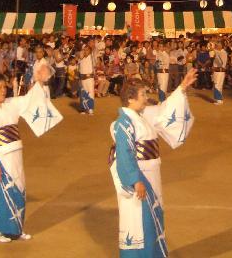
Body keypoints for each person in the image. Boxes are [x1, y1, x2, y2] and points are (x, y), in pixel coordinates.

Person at [109, 68, 197, 257]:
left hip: (151, 176)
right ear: (131, 99)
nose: (146, 97)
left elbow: (165, 110)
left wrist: (182, 87)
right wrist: (135, 179)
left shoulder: (143, 115)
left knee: (152, 219)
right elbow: (124, 154)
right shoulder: (123, 123)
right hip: (141, 178)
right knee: (140, 222)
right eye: (143, 94)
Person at [0, 63, 63, 243]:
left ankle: (16, 229)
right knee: (0, 193)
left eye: (4, 87)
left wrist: (39, 81)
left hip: (16, 157)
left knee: (18, 190)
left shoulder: (11, 104)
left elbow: (30, 99)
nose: (3, 91)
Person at [77, 45, 95, 115]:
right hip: (82, 78)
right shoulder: (81, 58)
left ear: (90, 51)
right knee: (83, 93)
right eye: (84, 50)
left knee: (90, 93)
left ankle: (90, 109)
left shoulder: (92, 57)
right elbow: (78, 56)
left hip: (89, 78)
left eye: (87, 50)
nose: (85, 51)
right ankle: (83, 108)